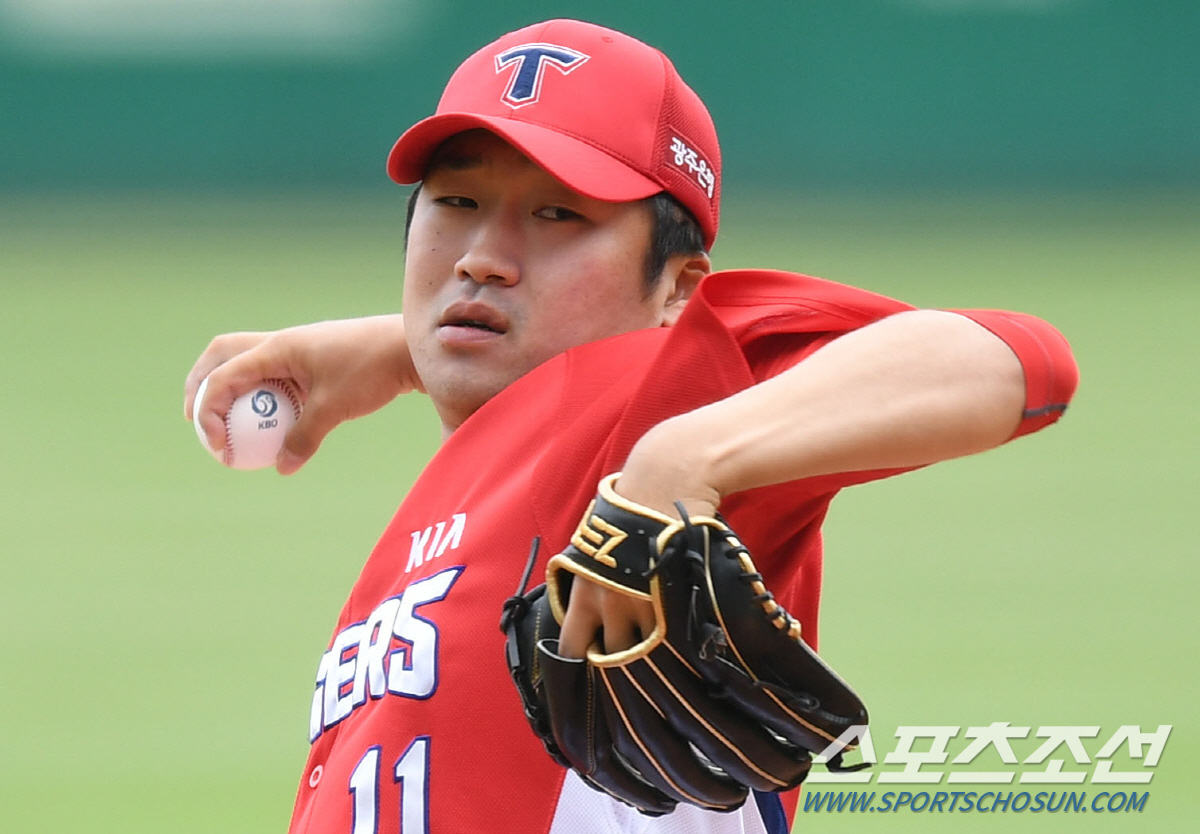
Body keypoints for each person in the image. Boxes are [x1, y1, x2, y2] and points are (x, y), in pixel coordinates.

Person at [185, 18, 1077, 834]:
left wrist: (680, 458)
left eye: (557, 214)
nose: (482, 258)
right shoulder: (467, 474)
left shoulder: (653, 406)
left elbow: (1012, 361)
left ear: (678, 292)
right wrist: (400, 350)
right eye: (456, 202)